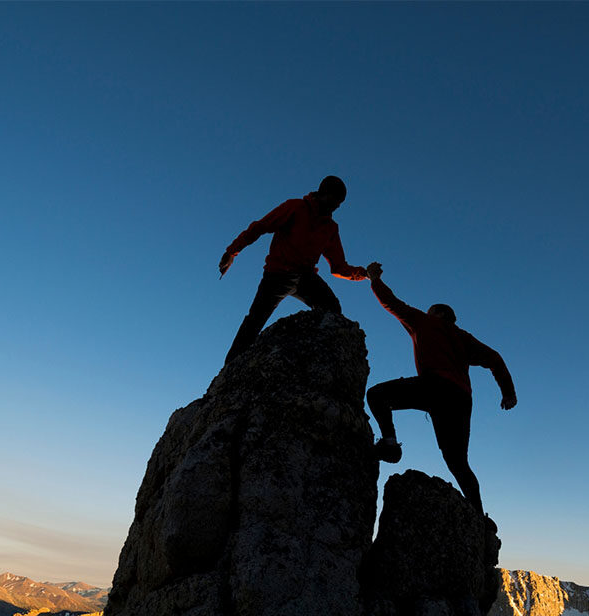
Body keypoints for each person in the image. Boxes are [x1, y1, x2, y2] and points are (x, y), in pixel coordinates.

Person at [364, 261, 517, 517]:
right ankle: (479, 516)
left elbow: (392, 303)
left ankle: (390, 443)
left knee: (377, 395)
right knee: (458, 463)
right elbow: (495, 359)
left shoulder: (424, 322)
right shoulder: (464, 338)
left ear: (436, 314)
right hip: (460, 400)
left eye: (430, 311)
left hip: (434, 387)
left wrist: (374, 279)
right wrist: (508, 392)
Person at [219, 176, 368, 363]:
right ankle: (231, 368)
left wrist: (365, 274)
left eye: (340, 203)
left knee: (332, 308)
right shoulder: (295, 208)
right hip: (277, 275)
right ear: (322, 193)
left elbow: (338, 267)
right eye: (334, 201)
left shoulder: (330, 228)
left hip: (306, 278)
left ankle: (313, 358)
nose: (336, 207)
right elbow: (260, 227)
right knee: (254, 321)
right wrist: (232, 252)